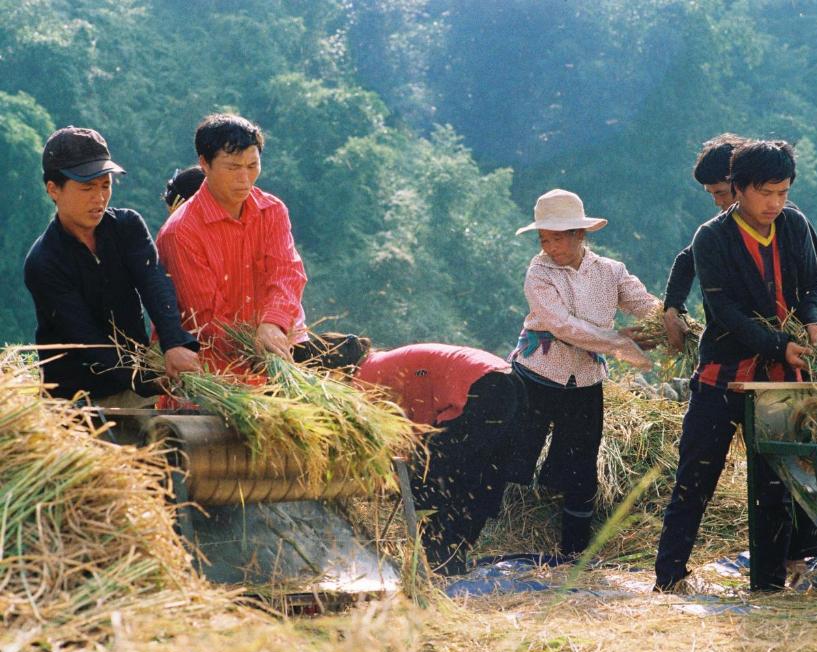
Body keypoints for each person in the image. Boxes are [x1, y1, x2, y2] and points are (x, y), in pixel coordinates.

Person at [654, 140, 817, 593]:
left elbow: (814, 284)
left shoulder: (793, 225)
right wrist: (778, 345)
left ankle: (770, 586)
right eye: (766, 193)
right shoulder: (711, 237)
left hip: (779, 382)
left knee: (775, 484)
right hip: (724, 377)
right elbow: (725, 312)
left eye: (783, 192)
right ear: (740, 189)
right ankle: (669, 577)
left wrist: (812, 322)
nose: (776, 203)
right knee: (695, 477)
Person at [508, 188, 659, 558]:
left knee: (581, 464)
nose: (550, 247)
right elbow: (561, 326)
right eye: (544, 239)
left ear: (580, 234)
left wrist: (670, 323)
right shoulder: (539, 272)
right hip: (536, 374)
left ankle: (575, 551)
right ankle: (495, 532)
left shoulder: (610, 271)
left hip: (585, 381)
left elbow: (643, 303)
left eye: (557, 238)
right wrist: (618, 342)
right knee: (514, 453)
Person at [23, 126, 200, 404]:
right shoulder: (44, 261)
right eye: (87, 188)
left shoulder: (127, 226)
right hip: (77, 399)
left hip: (137, 386)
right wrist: (143, 380)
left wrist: (174, 343)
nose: (99, 198)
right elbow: (85, 339)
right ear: (53, 190)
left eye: (105, 185)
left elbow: (154, 283)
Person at [333, 337, 527, 576]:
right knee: (482, 477)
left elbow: (401, 439)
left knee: (432, 480)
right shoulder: (381, 362)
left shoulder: (362, 380)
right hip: (508, 381)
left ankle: (438, 562)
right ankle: (451, 559)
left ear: (333, 372)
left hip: (482, 388)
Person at [662, 133, 817, 353]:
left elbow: (814, 287)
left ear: (739, 184)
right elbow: (690, 257)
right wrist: (672, 308)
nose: (717, 202)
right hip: (793, 337)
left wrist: (813, 323)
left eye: (721, 193)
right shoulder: (725, 230)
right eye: (711, 194)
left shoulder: (784, 219)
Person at [156, 114, 308, 371]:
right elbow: (206, 319)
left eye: (252, 166)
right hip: (211, 373)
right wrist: (257, 350)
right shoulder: (180, 233)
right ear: (204, 163)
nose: (245, 179)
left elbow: (287, 272)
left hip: (275, 353)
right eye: (233, 168)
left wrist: (272, 323)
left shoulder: (271, 211)